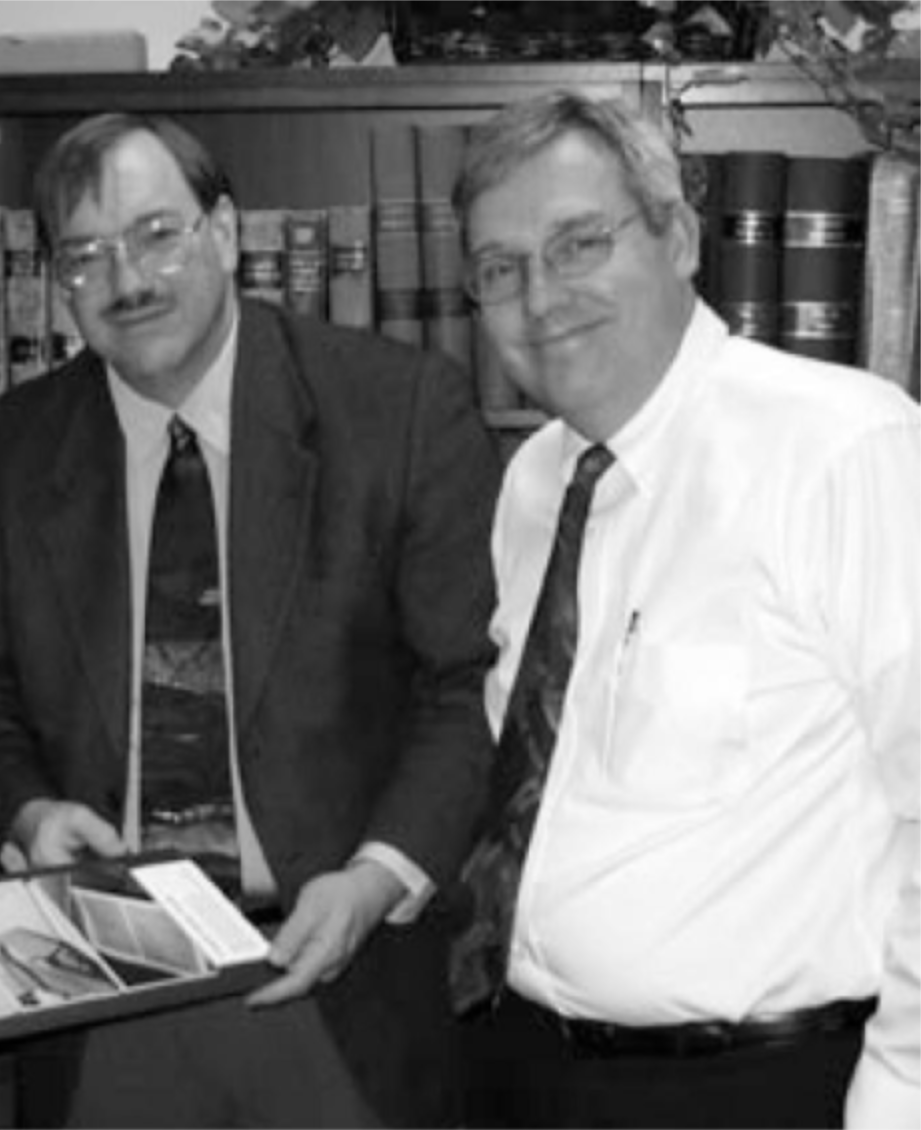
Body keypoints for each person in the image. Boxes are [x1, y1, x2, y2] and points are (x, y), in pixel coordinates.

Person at [0, 112, 501, 1127]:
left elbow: (462, 684)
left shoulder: (397, 409)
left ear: (226, 233)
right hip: (103, 979)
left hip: (340, 965)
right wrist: (25, 809)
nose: (126, 280)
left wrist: (379, 873)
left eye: (157, 233)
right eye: (86, 255)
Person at [451, 89, 920, 1129]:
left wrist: (896, 1100)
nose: (540, 297)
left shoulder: (844, 450)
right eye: (499, 268)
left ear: (677, 236)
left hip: (765, 1088)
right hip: (530, 1070)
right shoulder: (534, 480)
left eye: (579, 243)